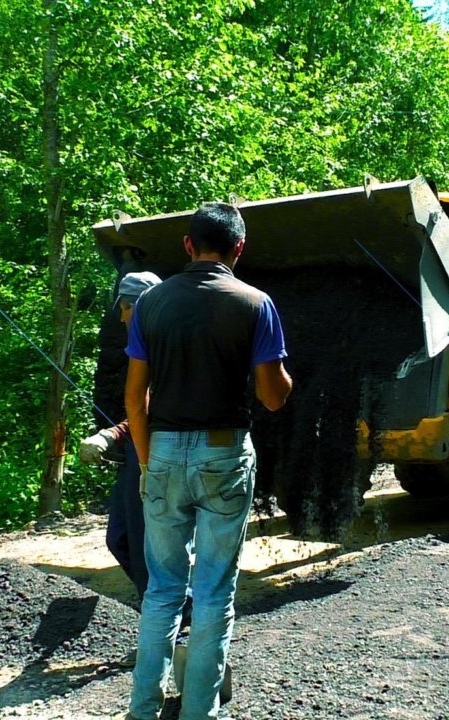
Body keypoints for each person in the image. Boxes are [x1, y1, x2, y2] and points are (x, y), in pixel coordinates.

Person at [124, 202, 292, 720]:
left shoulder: (150, 304)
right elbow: (272, 397)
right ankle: (200, 712)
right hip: (224, 453)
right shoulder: (256, 303)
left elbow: (135, 397)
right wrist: (283, 372)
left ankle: (143, 709)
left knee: (162, 590)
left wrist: (150, 462)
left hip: (165, 451)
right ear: (239, 249)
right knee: (215, 591)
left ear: (187, 245)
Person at [80, 271, 162, 600]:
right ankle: (164, 601)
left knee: (147, 546)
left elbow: (153, 407)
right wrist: (111, 437)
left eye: (126, 307)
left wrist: (112, 434)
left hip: (157, 458)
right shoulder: (136, 347)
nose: (122, 315)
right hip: (135, 457)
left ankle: (169, 614)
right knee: (121, 539)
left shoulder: (162, 349)